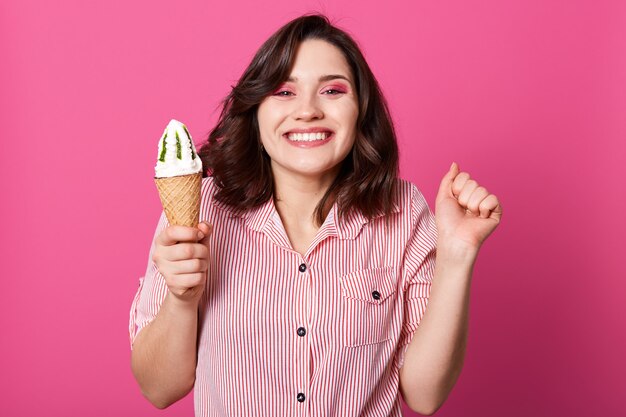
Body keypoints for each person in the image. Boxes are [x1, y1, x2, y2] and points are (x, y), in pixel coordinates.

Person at [129, 13, 501, 417]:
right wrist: (182, 300)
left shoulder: (404, 211)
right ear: (255, 110)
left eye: (332, 90)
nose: (307, 111)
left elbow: (425, 395)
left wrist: (457, 253)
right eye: (284, 92)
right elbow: (159, 389)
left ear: (361, 110)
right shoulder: (201, 212)